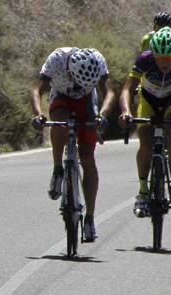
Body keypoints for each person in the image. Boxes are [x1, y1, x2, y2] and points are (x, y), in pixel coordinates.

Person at [30, 46, 116, 243]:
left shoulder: (98, 60)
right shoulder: (57, 59)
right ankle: (58, 168)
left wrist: (102, 115)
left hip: (87, 102)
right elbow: (37, 90)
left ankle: (90, 219)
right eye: (78, 82)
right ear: (69, 71)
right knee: (59, 123)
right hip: (61, 97)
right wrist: (38, 115)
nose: (78, 87)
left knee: (87, 156)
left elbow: (109, 93)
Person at [118, 27, 171, 217]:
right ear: (153, 54)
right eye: (160, 58)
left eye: (168, 58)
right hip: (148, 99)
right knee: (146, 145)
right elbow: (127, 89)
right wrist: (125, 111)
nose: (164, 62)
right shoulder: (144, 59)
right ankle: (142, 192)